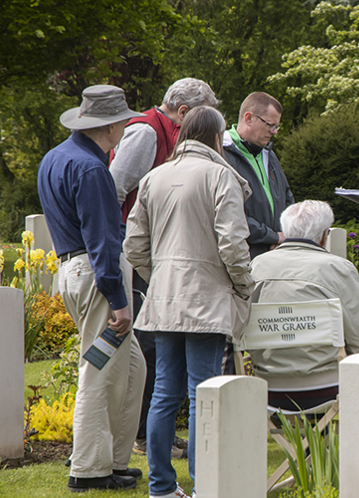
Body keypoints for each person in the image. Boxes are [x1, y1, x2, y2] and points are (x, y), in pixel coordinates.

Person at [124, 106, 254, 498]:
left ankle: (161, 487)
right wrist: (243, 284)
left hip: (164, 299)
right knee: (202, 394)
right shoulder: (221, 176)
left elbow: (134, 246)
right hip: (207, 299)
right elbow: (232, 244)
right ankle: (204, 484)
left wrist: (161, 276)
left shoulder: (153, 178)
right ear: (217, 138)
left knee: (165, 392)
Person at [37, 84, 146, 492]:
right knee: (99, 371)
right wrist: (118, 299)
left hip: (73, 268)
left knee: (133, 367)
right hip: (95, 271)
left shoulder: (55, 157)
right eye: (124, 121)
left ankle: (114, 459)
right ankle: (87, 469)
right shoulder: (92, 168)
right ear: (112, 125)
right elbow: (102, 238)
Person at [109, 77, 217, 460]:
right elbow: (115, 191)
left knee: (157, 353)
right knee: (150, 351)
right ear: (185, 113)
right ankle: (143, 435)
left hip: (156, 255)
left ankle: (156, 436)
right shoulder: (146, 133)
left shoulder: (169, 134)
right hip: (137, 256)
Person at [248, 200, 359, 414]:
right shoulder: (337, 269)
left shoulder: (257, 267)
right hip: (325, 389)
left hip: (268, 389)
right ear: (325, 235)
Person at [222, 91, 294, 260]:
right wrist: (273, 237)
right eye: (270, 125)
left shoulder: (269, 154)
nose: (274, 132)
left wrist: (287, 235)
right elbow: (231, 215)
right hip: (241, 258)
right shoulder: (222, 154)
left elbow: (287, 199)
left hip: (275, 254)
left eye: (276, 126)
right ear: (248, 118)